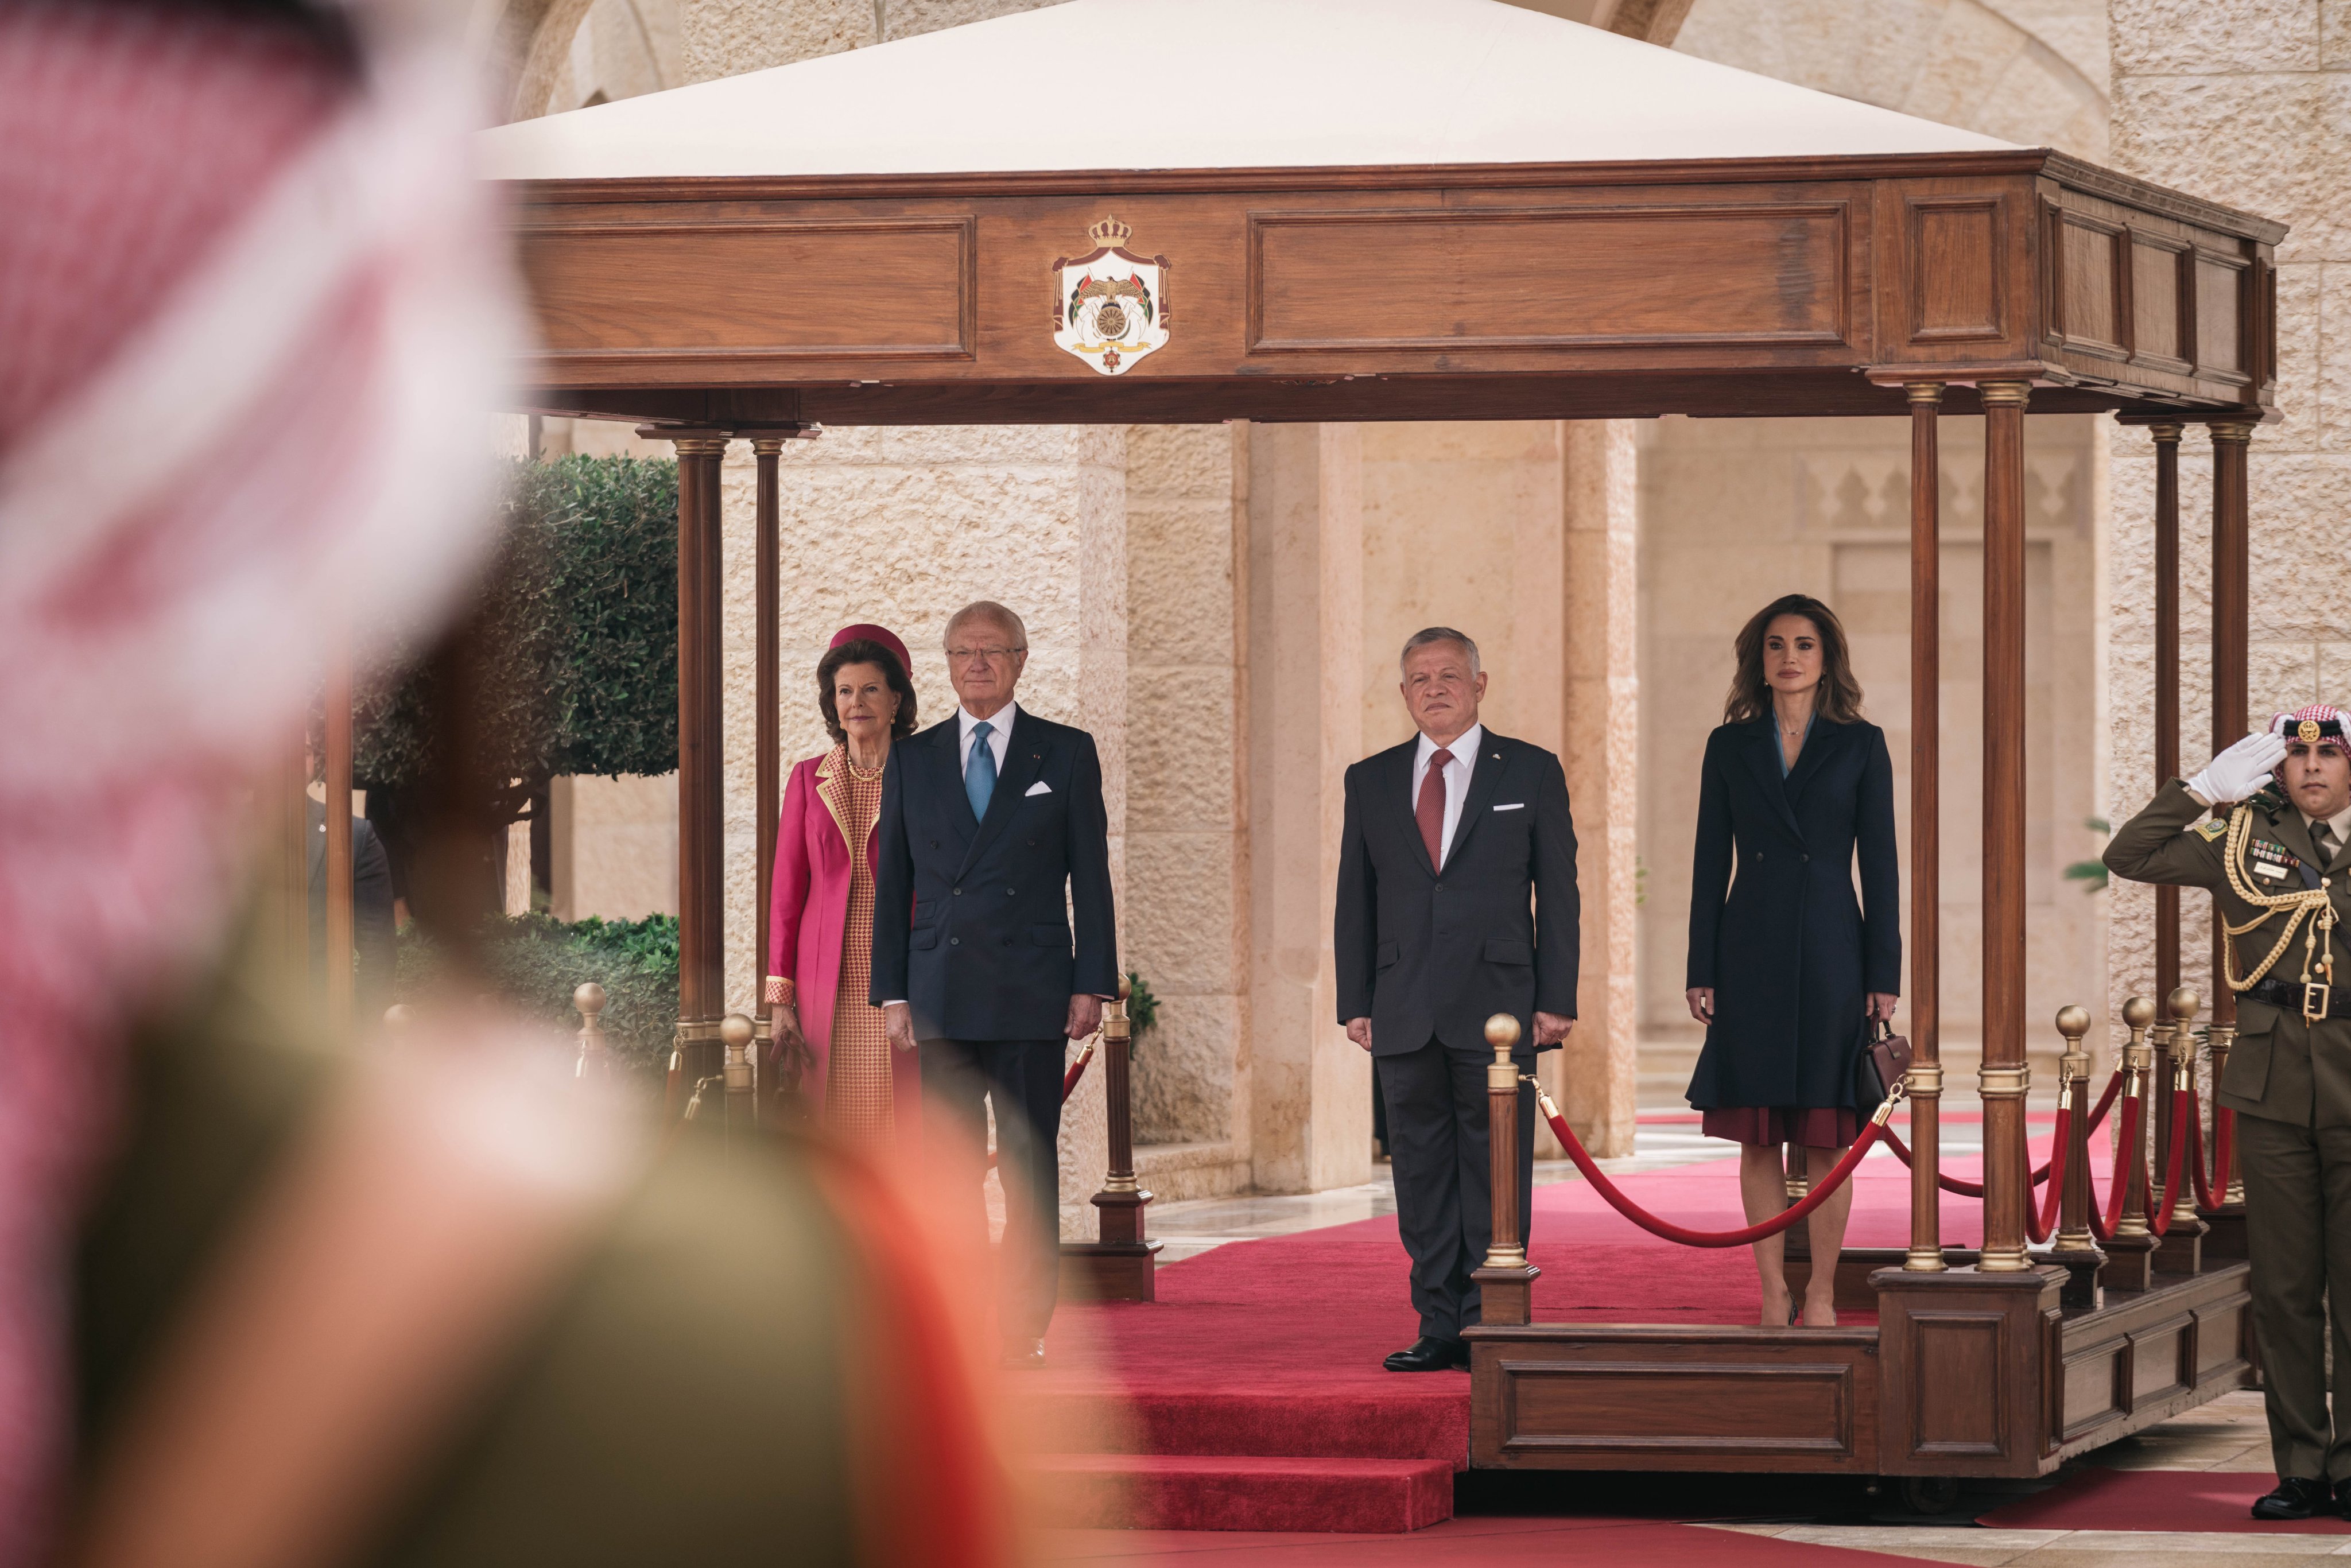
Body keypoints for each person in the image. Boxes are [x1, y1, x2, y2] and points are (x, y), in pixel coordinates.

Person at [2104, 705, 2351, 1523]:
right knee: (2284, 1288)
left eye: (2329, 753)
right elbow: (2128, 854)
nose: (2312, 766)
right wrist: (2201, 792)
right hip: (2274, 1086)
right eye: (2297, 755)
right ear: (2276, 770)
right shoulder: (2241, 838)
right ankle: (2302, 1469)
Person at [871, 601, 1118, 1368]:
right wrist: (892, 993)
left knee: (1026, 1164)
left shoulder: (1065, 751)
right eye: (963, 652)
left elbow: (1091, 876)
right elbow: (894, 884)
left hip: (1031, 988)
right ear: (946, 664)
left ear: (1020, 660)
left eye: (993, 650)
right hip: (939, 987)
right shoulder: (912, 757)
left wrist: (1092, 982)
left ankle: (1022, 1325)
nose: (977, 663)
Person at [1335, 627, 1579, 1373]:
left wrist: (1556, 997)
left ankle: (1491, 1315)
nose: (1434, 688)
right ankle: (1438, 1321)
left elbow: (1559, 892)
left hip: (1500, 1007)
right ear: (1403, 693)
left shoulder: (1530, 770)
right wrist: (1355, 1000)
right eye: (1419, 678)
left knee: (1495, 1164)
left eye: (1448, 674)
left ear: (1480, 684)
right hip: (1403, 1004)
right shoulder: (1371, 779)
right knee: (1419, 1169)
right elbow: (1355, 896)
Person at [1683, 593, 1898, 1329]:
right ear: (1760, 658)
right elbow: (1708, 861)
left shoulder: (1861, 743)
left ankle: (1823, 1292)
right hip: (1749, 947)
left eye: (1804, 644)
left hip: (1835, 949)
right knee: (1758, 1131)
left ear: (1826, 657)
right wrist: (1701, 965)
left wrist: (1883, 973)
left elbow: (1882, 865)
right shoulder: (1729, 745)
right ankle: (1773, 1288)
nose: (1789, 657)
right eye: (1775, 644)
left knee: (1827, 1133)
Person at [765, 624, 923, 1151]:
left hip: (904, 980)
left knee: (904, 1124)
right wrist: (781, 997)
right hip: (826, 984)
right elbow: (786, 894)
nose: (857, 703)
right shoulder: (807, 779)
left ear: (896, 699)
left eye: (871, 689)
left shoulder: (925, 774)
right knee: (836, 1128)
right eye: (845, 691)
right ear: (833, 703)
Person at [307, 790, 397, 1024]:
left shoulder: (355, 835)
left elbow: (377, 948)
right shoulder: (223, 832)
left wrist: (367, 1028)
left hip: (319, 1023)